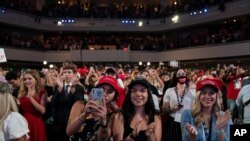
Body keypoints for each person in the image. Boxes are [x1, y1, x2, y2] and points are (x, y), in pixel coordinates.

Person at [66, 76, 119, 141]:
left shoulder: (113, 115)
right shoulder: (80, 105)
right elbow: (69, 132)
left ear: (114, 96)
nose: (104, 94)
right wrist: (84, 114)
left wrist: (103, 121)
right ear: (95, 90)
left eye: (110, 92)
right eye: (101, 90)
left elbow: (103, 139)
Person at [51, 63, 85, 141]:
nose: (66, 74)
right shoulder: (58, 86)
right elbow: (53, 103)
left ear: (75, 74)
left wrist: (72, 88)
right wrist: (60, 89)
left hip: (71, 122)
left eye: (69, 72)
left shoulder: (79, 88)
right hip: (58, 124)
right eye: (64, 72)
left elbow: (78, 104)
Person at [162, 68, 195, 141]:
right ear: (175, 77)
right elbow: (164, 109)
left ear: (186, 76)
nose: (181, 76)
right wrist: (172, 109)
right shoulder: (169, 91)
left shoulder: (192, 91)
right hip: (173, 122)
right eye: (179, 74)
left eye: (183, 74)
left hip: (188, 123)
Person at [18, 70, 47, 141]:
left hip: (36, 123)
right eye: (25, 79)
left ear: (36, 80)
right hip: (23, 123)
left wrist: (31, 98)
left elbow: (42, 111)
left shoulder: (42, 92)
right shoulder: (22, 93)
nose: (27, 81)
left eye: (29, 79)